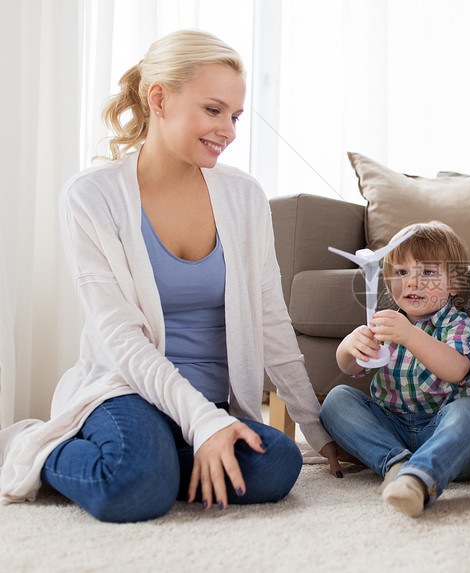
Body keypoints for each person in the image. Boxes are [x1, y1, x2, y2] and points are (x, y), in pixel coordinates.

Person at [0, 30, 343, 522]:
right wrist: (202, 422)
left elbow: (271, 322)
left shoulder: (244, 197)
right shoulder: (91, 197)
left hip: (207, 400)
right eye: (213, 110)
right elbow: (120, 338)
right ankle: (33, 445)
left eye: (235, 116)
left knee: (278, 465)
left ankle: (158, 462)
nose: (228, 129)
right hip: (125, 390)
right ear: (158, 98)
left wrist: (317, 429)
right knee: (134, 490)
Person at [319, 222, 470, 517]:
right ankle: (396, 465)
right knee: (336, 400)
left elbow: (457, 370)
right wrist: (350, 346)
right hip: (393, 428)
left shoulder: (456, 323)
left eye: (427, 272)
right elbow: (349, 367)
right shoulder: (385, 323)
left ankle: (420, 476)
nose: (412, 282)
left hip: (445, 433)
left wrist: (411, 336)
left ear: (452, 284)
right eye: (401, 272)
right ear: (388, 283)